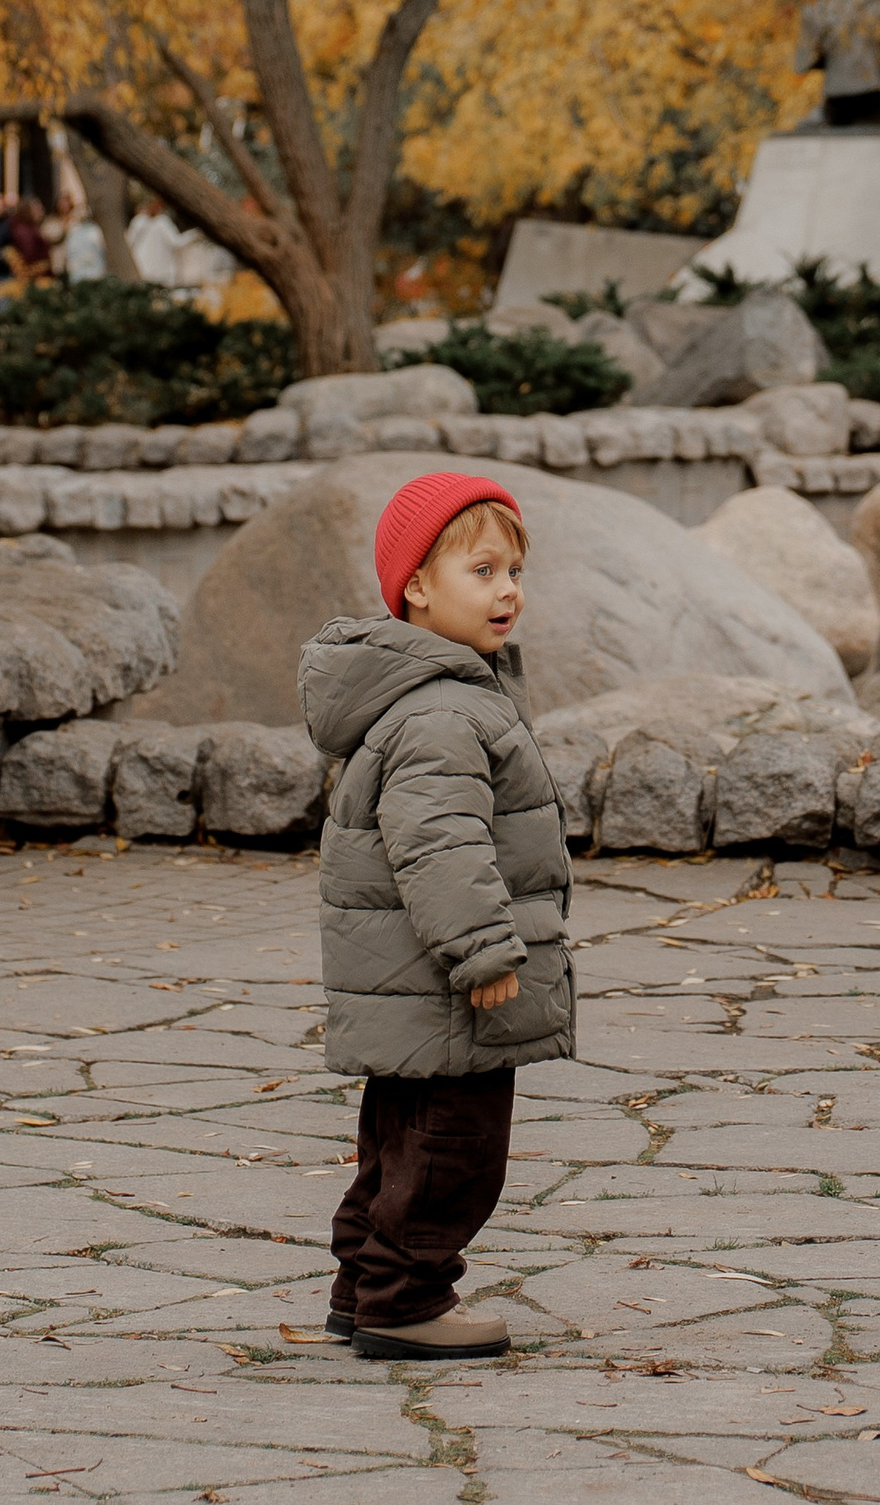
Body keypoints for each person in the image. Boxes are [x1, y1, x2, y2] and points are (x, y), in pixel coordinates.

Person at [296, 473, 570, 1362]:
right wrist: (485, 950)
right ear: (416, 584)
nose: (507, 589)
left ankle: (362, 1286)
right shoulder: (444, 711)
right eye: (482, 568)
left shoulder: (441, 694)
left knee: (399, 1137)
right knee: (453, 1146)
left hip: (414, 988)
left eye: (515, 568)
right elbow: (438, 846)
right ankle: (404, 1297)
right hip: (450, 984)